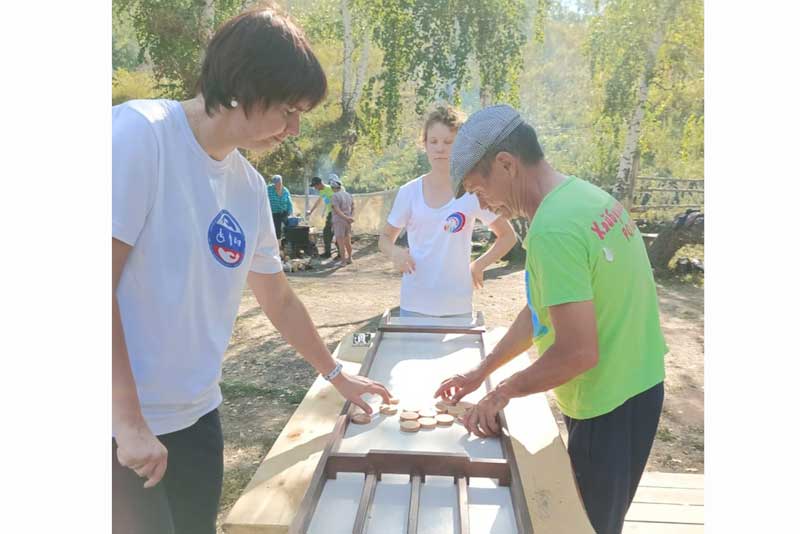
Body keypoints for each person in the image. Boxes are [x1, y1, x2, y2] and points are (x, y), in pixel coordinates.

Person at [112, 9, 391, 534]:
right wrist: (126, 421)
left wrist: (335, 373)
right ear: (242, 87)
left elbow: (279, 298)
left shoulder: (247, 187)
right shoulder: (140, 136)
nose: (294, 128)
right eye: (288, 110)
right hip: (117, 426)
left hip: (196, 418)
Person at [434, 105, 667, 534]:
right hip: (640, 384)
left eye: (477, 188)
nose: (481, 203)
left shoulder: (552, 229)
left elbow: (577, 352)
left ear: (505, 164)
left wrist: (502, 392)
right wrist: (482, 371)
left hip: (608, 405)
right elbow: (541, 311)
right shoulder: (586, 197)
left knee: (584, 526)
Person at [378, 105, 516, 317]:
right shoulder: (409, 192)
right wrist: (395, 252)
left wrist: (479, 265)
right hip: (414, 306)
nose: (440, 148)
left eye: (448, 142)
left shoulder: (473, 192)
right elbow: (385, 238)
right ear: (424, 144)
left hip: (458, 307)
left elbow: (507, 236)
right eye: (433, 142)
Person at [306, 174, 336, 258]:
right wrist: (311, 211)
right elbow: (319, 201)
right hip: (330, 213)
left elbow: (337, 199)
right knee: (328, 233)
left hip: (335, 213)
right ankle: (328, 252)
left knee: (329, 232)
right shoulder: (321, 191)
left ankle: (332, 253)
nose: (314, 188)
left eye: (315, 186)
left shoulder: (330, 189)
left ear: (319, 184)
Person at [330, 176, 354, 266]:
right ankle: (350, 258)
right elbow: (353, 207)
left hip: (339, 220)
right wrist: (350, 217)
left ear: (333, 188)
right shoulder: (348, 195)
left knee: (340, 242)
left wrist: (345, 217)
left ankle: (343, 261)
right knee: (348, 240)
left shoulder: (335, 196)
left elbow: (337, 209)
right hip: (348, 221)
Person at [267, 174, 293, 240]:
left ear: (281, 182)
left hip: (283, 212)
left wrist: (290, 212)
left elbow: (289, 203)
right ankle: (277, 244)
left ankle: (287, 242)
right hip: (273, 213)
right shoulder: (269, 189)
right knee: (277, 229)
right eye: (276, 183)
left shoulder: (285, 191)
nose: (277, 185)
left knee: (289, 227)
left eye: (279, 183)